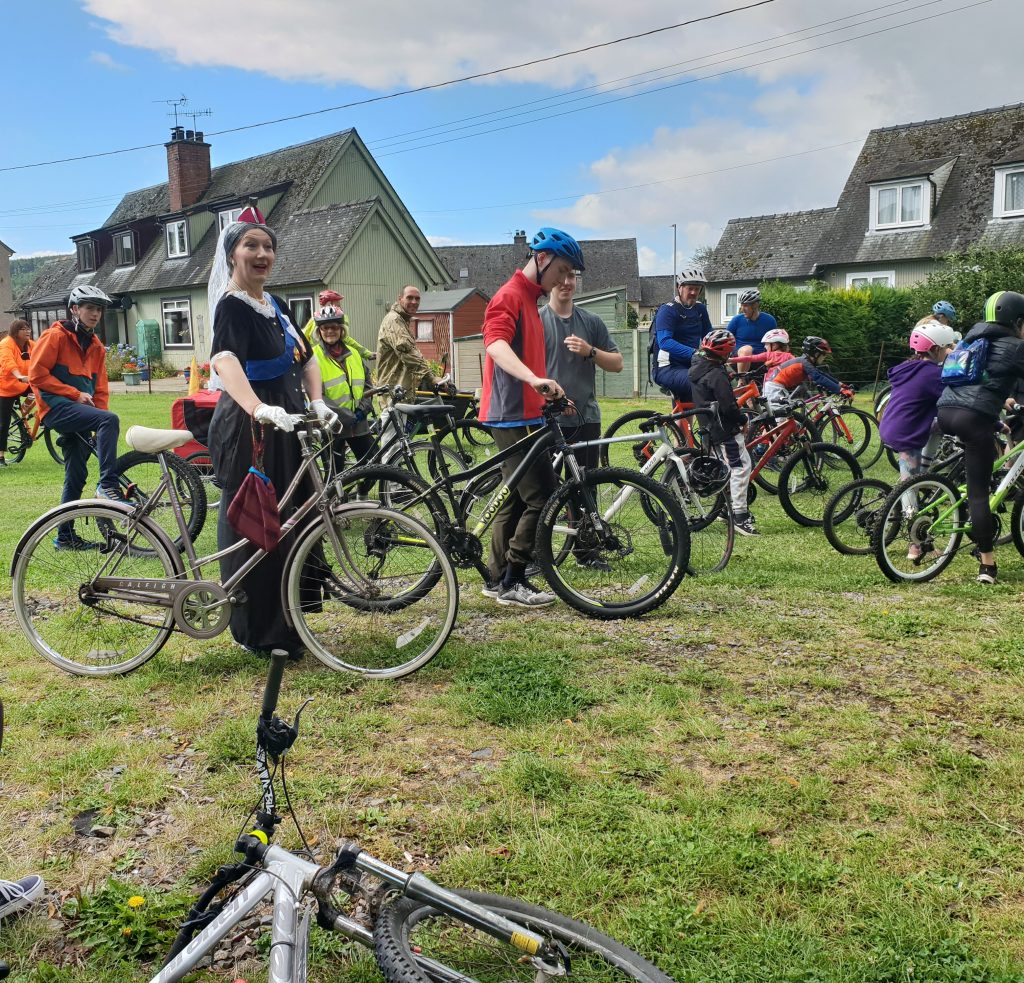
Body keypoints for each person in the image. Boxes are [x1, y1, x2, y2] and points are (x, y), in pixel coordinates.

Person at [206, 206, 337, 656]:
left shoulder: (275, 305)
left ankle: (289, 622)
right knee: (256, 522)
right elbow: (224, 360)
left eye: (268, 247)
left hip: (288, 423)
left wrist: (316, 400)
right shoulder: (231, 306)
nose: (262, 254)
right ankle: (256, 629)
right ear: (233, 254)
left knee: (293, 516)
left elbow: (307, 357)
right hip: (250, 428)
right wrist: (259, 407)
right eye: (251, 245)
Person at [480, 227, 582, 607]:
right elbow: (496, 344)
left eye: (571, 274)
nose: (566, 280)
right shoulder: (509, 296)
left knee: (516, 499)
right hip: (511, 413)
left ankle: (497, 578)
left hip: (525, 411)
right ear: (542, 259)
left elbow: (531, 358)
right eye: (563, 271)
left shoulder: (531, 299)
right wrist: (533, 379)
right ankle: (514, 579)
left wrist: (550, 390)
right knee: (543, 495)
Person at [936, 291, 1024, 585]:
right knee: (979, 493)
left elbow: (977, 380)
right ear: (1017, 321)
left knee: (979, 463)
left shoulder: (972, 338)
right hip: (974, 418)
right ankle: (987, 565)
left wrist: (1000, 412)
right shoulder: (1016, 346)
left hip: (946, 410)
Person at [29, 285, 124, 549]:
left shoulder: (96, 346)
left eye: (99, 309)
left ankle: (65, 537)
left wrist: (97, 418)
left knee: (76, 475)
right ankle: (108, 484)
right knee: (109, 420)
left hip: (79, 412)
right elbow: (36, 376)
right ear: (75, 309)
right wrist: (73, 393)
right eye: (89, 308)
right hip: (55, 407)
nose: (95, 314)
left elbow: (100, 389)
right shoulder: (55, 336)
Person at [540, 270, 623, 467]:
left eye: (570, 276)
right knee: (547, 492)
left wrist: (590, 351)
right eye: (559, 277)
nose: (566, 283)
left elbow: (618, 364)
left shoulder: (592, 321)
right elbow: (523, 372)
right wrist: (553, 398)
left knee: (585, 489)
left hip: (586, 419)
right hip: (547, 421)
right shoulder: (536, 321)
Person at [689, 329, 758, 536]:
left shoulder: (697, 367)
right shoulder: (717, 373)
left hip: (709, 428)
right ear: (725, 352)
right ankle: (739, 516)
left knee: (725, 470)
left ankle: (723, 510)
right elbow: (728, 406)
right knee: (740, 467)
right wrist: (742, 419)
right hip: (724, 430)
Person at [308, 304, 374, 470]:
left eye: (334, 327)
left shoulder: (354, 353)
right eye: (325, 328)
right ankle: (338, 497)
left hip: (359, 424)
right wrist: (345, 416)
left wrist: (362, 410)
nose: (330, 331)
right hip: (332, 425)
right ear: (319, 331)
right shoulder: (313, 357)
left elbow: (367, 385)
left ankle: (361, 494)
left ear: (341, 329)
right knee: (335, 477)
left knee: (374, 464)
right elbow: (316, 395)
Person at [651, 268, 713, 404]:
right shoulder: (668, 310)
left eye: (697, 289)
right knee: (704, 383)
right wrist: (695, 353)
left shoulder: (700, 309)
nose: (693, 293)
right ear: (680, 287)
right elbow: (665, 342)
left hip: (692, 366)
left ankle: (684, 425)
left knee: (719, 377)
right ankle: (709, 424)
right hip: (668, 368)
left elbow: (710, 337)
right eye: (690, 288)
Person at [375, 285, 441, 404]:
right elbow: (409, 354)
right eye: (409, 298)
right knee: (391, 422)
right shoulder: (394, 321)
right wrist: (431, 378)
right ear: (400, 299)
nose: (414, 302)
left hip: (401, 390)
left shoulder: (403, 320)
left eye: (417, 299)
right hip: (393, 393)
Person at [762, 336, 850, 413]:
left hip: (775, 387)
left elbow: (821, 374)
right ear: (815, 354)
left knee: (779, 421)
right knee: (781, 421)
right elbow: (818, 377)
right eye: (823, 355)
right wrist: (840, 390)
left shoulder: (805, 362)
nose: (824, 358)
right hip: (775, 388)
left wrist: (841, 385)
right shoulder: (804, 362)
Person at [301, 289, 375, 362]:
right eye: (338, 303)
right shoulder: (340, 317)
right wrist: (367, 354)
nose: (340, 306)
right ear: (330, 303)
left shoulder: (314, 319)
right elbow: (346, 339)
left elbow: (303, 335)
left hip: (314, 357)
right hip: (332, 357)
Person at [0, 319, 34, 467]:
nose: (27, 331)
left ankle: (27, 410)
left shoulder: (32, 345)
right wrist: (18, 375)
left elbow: (43, 358)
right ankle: (0, 455)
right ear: (15, 332)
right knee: (3, 422)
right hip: (6, 386)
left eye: (28, 328)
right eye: (23, 329)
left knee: (45, 391)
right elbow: (8, 362)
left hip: (25, 383)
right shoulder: (6, 344)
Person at [727, 288, 778, 374]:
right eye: (742, 305)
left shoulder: (769, 320)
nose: (742, 309)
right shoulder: (736, 320)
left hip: (761, 358)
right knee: (747, 350)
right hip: (739, 356)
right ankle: (741, 382)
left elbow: (774, 342)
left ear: (755, 305)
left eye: (746, 305)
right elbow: (726, 339)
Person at [727, 327, 791, 374]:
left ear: (774, 345)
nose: (764, 346)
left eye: (766, 344)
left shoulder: (768, 355)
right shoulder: (789, 356)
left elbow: (749, 358)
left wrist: (730, 359)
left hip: (771, 384)